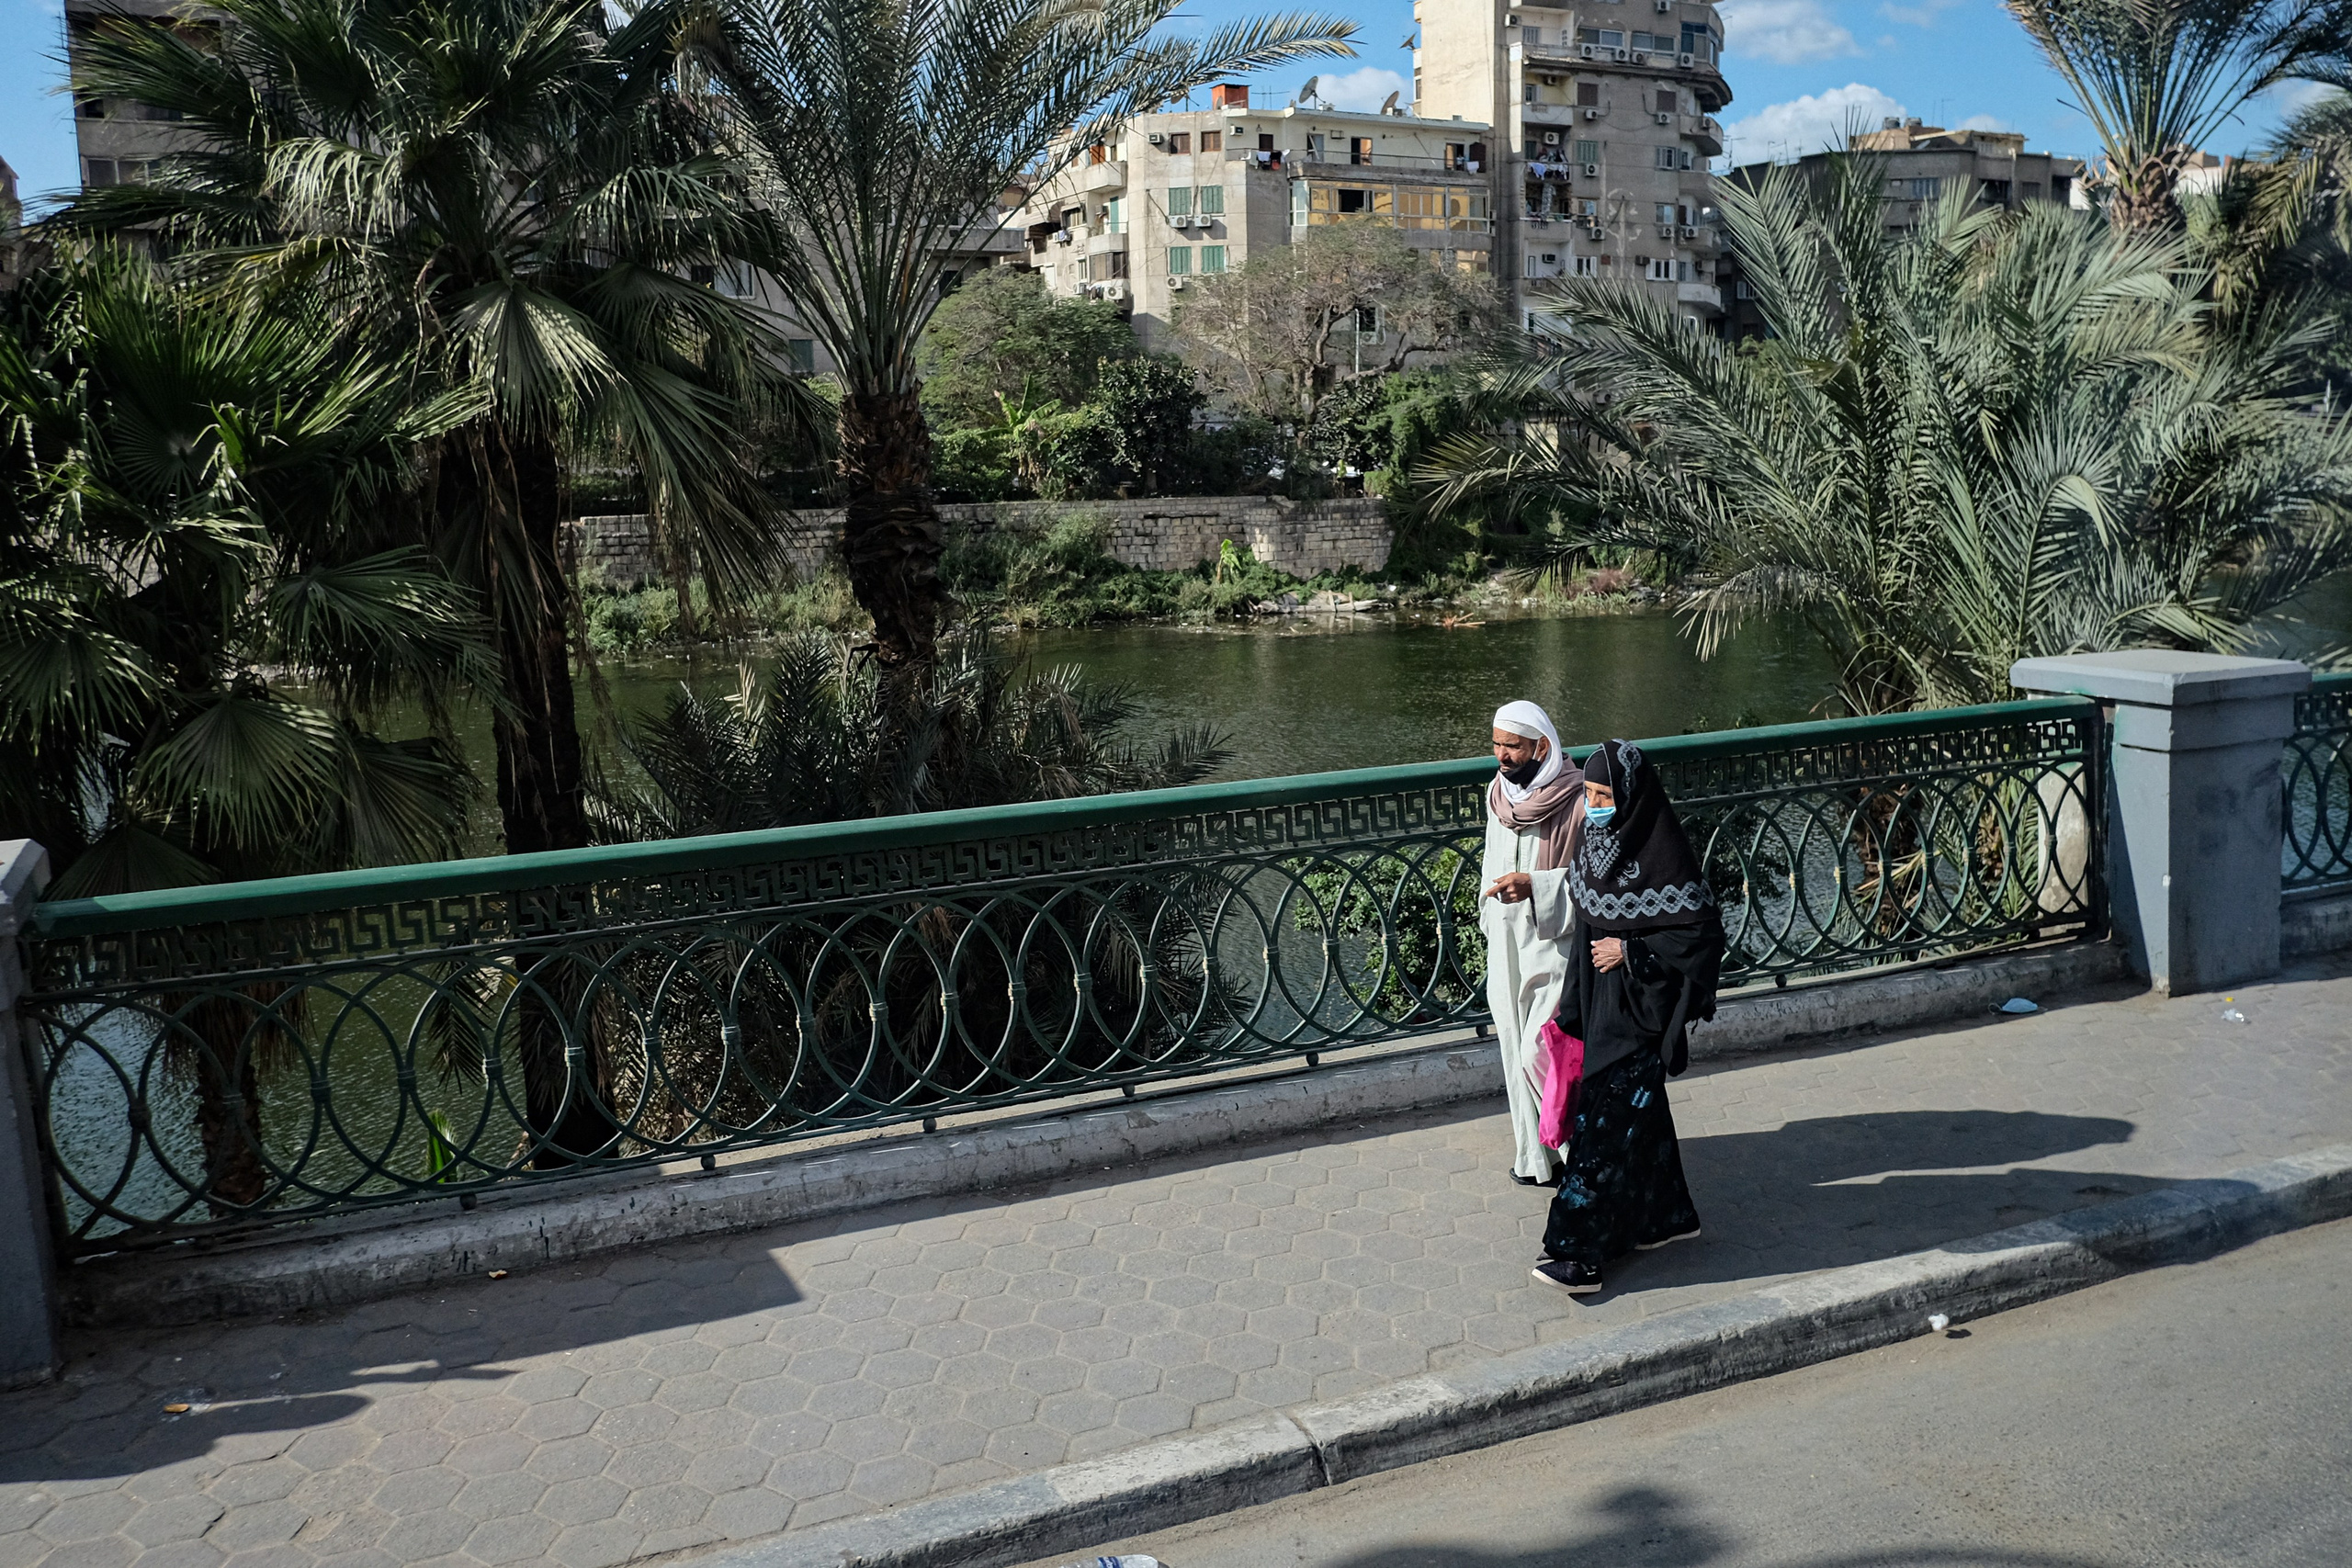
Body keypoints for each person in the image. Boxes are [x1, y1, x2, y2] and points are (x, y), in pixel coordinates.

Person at [1532, 737, 1723, 1296]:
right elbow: (1585, 929)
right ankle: (1663, 1217)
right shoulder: (1595, 846)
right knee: (1640, 1121)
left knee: (1604, 1133)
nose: (1593, 803)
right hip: (1600, 1011)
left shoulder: (1663, 854)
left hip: (1641, 1014)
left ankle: (1576, 1253)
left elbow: (1701, 935)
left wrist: (1631, 951)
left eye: (1603, 793)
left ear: (1632, 796)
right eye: (1588, 792)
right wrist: (1572, 1011)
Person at [1478, 700, 1584, 1185]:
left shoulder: (1578, 799)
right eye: (1497, 744)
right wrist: (1488, 915)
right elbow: (1489, 861)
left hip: (1554, 939)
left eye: (1512, 746)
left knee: (1539, 1051)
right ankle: (1536, 1158)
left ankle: (1579, 1150)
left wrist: (1537, 887)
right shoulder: (1497, 795)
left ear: (1541, 746)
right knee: (1510, 1045)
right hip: (1504, 939)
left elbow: (1594, 879)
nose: (1502, 754)